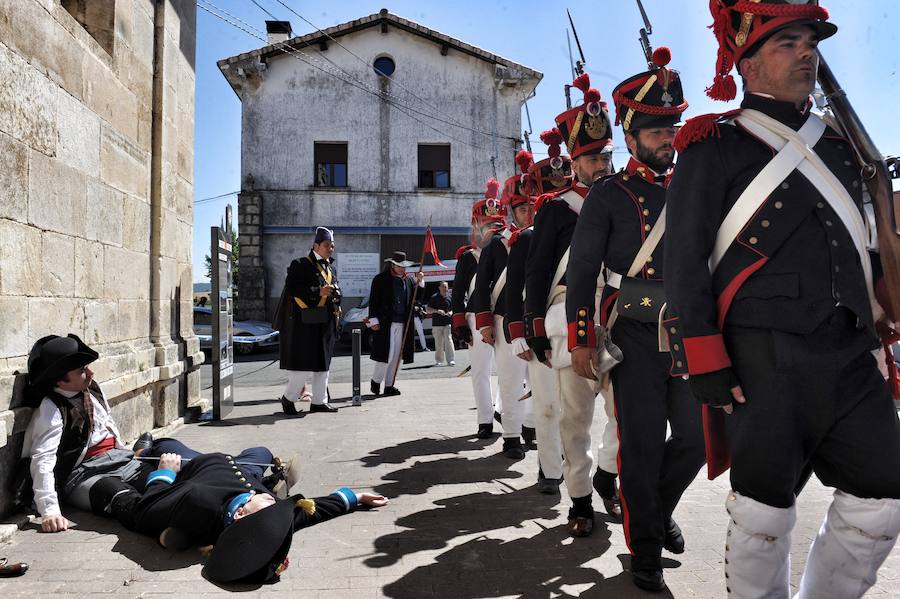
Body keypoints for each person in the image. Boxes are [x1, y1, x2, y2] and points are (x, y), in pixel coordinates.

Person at [665, 2, 900, 596]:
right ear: (745, 63)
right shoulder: (712, 144)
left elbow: (864, 244)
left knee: (884, 495)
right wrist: (706, 358)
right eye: (786, 42)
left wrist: (882, 301)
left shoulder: (844, 148)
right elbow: (685, 259)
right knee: (763, 515)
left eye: (809, 41)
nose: (806, 52)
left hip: (849, 350)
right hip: (761, 356)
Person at [565, 50, 706, 591]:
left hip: (688, 331)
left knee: (695, 437)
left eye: (671, 126)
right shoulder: (610, 195)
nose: (667, 136)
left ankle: (652, 509)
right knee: (642, 443)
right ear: (630, 136)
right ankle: (644, 548)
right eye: (654, 129)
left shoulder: (692, 188)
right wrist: (581, 342)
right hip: (633, 333)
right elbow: (581, 274)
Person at [525, 76, 622, 538]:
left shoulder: (626, 199)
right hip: (569, 323)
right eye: (592, 158)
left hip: (620, 317)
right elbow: (538, 272)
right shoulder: (556, 209)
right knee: (574, 419)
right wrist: (534, 329)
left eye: (606, 156)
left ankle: (608, 474)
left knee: (625, 417)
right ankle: (580, 498)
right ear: (574, 162)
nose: (601, 165)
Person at [91, 438, 387, 584]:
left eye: (270, 503)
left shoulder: (198, 499)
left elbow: (146, 508)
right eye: (273, 502)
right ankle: (274, 478)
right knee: (261, 452)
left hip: (191, 470)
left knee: (165, 446)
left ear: (241, 515)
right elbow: (312, 511)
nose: (274, 504)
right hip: (238, 467)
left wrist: (165, 473)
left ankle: (143, 451)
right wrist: (354, 496)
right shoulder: (265, 516)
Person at [18, 334, 156, 533]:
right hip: (84, 475)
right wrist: (50, 510)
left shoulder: (92, 389)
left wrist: (126, 454)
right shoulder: (51, 408)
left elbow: (109, 426)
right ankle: (165, 528)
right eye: (82, 370)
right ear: (60, 379)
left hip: (121, 462)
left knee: (160, 482)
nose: (90, 373)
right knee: (124, 500)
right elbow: (43, 459)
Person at [504, 149, 564, 493]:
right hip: (539, 329)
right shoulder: (526, 238)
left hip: (578, 327)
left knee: (574, 410)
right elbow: (515, 291)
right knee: (546, 405)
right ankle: (550, 470)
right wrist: (519, 335)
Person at [469, 176, 536, 460]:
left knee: (539, 383)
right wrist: (484, 324)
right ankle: (511, 436)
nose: (529, 213)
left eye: (533, 207)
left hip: (536, 320)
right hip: (505, 319)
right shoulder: (498, 245)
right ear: (512, 213)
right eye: (522, 209)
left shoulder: (544, 239)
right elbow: (482, 286)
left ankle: (531, 427)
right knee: (510, 381)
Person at [451, 187, 505, 438]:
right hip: (475, 318)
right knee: (481, 371)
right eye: (486, 224)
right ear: (477, 226)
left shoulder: (509, 251)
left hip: (504, 315)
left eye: (495, 223)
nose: (490, 228)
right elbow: (458, 292)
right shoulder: (468, 257)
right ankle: (485, 420)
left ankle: (505, 412)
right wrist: (459, 322)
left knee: (513, 370)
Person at [274, 227, 341, 415]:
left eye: (332, 246)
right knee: (302, 367)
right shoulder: (300, 264)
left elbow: (333, 291)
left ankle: (319, 401)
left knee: (323, 366)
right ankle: (288, 399)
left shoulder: (331, 268)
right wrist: (317, 292)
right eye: (327, 245)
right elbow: (293, 289)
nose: (331, 249)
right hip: (305, 324)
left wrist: (336, 296)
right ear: (316, 246)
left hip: (325, 322)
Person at [366, 251, 424, 396]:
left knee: (396, 356)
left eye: (404, 266)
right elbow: (373, 302)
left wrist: (420, 284)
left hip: (402, 324)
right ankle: (376, 381)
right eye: (399, 266)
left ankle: (389, 385)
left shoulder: (409, 281)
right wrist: (373, 319)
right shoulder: (380, 279)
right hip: (386, 323)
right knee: (386, 355)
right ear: (392, 265)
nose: (402, 269)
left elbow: (416, 300)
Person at [427, 281, 455, 366]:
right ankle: (439, 361)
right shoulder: (434, 297)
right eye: (443, 286)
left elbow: (453, 308)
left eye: (446, 287)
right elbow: (428, 309)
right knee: (438, 343)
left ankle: (451, 360)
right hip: (437, 324)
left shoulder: (449, 297)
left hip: (447, 323)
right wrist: (437, 311)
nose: (445, 288)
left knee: (449, 341)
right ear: (439, 288)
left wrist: (451, 312)